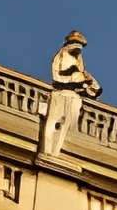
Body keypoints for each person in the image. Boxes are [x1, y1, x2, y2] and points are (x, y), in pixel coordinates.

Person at [41, 30, 101, 159]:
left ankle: (54, 153)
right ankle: (50, 153)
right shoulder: (63, 55)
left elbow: (82, 77)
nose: (77, 46)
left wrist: (87, 83)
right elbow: (63, 76)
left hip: (74, 96)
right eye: (74, 42)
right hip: (62, 93)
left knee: (67, 126)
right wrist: (81, 81)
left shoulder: (77, 59)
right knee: (55, 124)